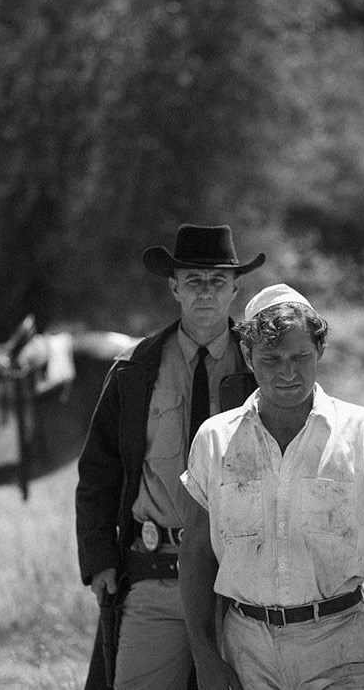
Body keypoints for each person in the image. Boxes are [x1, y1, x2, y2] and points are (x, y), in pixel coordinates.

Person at [179, 283, 364, 690]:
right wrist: (205, 656)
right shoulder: (214, 439)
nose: (288, 372)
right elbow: (196, 552)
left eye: (300, 357)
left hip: (340, 644)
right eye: (271, 359)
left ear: (320, 350)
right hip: (246, 652)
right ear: (248, 356)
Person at [76, 224, 266, 690]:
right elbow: (99, 472)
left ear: (236, 289)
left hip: (240, 581)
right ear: (174, 287)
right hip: (155, 572)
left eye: (218, 281)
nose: (206, 292)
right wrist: (100, 558)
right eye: (194, 281)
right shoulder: (135, 369)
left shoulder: (261, 367)